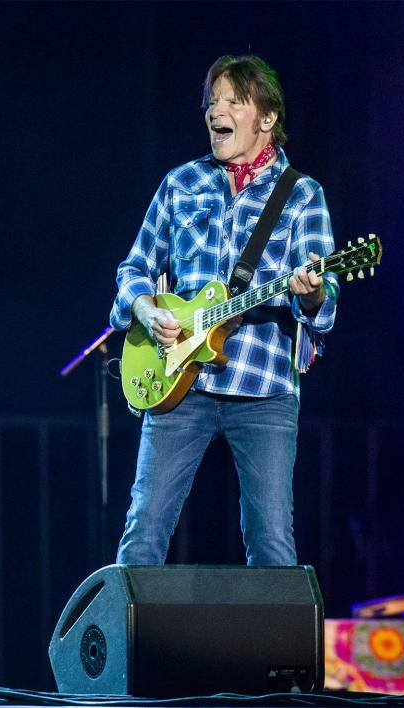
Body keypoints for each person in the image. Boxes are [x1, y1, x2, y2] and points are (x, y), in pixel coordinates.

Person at [109, 54, 338, 567]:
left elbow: (325, 307)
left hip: (264, 388)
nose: (219, 110)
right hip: (177, 383)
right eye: (213, 101)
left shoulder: (301, 195)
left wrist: (312, 292)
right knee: (143, 532)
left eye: (234, 101)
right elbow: (133, 271)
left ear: (267, 118)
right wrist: (146, 313)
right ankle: (131, 647)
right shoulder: (181, 184)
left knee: (272, 541)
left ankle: (274, 650)